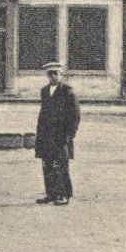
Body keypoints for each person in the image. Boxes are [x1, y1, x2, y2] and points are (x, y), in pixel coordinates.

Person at [34, 62, 79, 205]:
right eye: (50, 74)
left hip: (61, 136)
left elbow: (75, 115)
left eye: (56, 73)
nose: (53, 76)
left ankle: (64, 195)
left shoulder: (68, 91)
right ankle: (51, 194)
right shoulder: (44, 91)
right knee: (47, 164)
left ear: (61, 74)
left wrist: (69, 135)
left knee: (61, 165)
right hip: (46, 135)